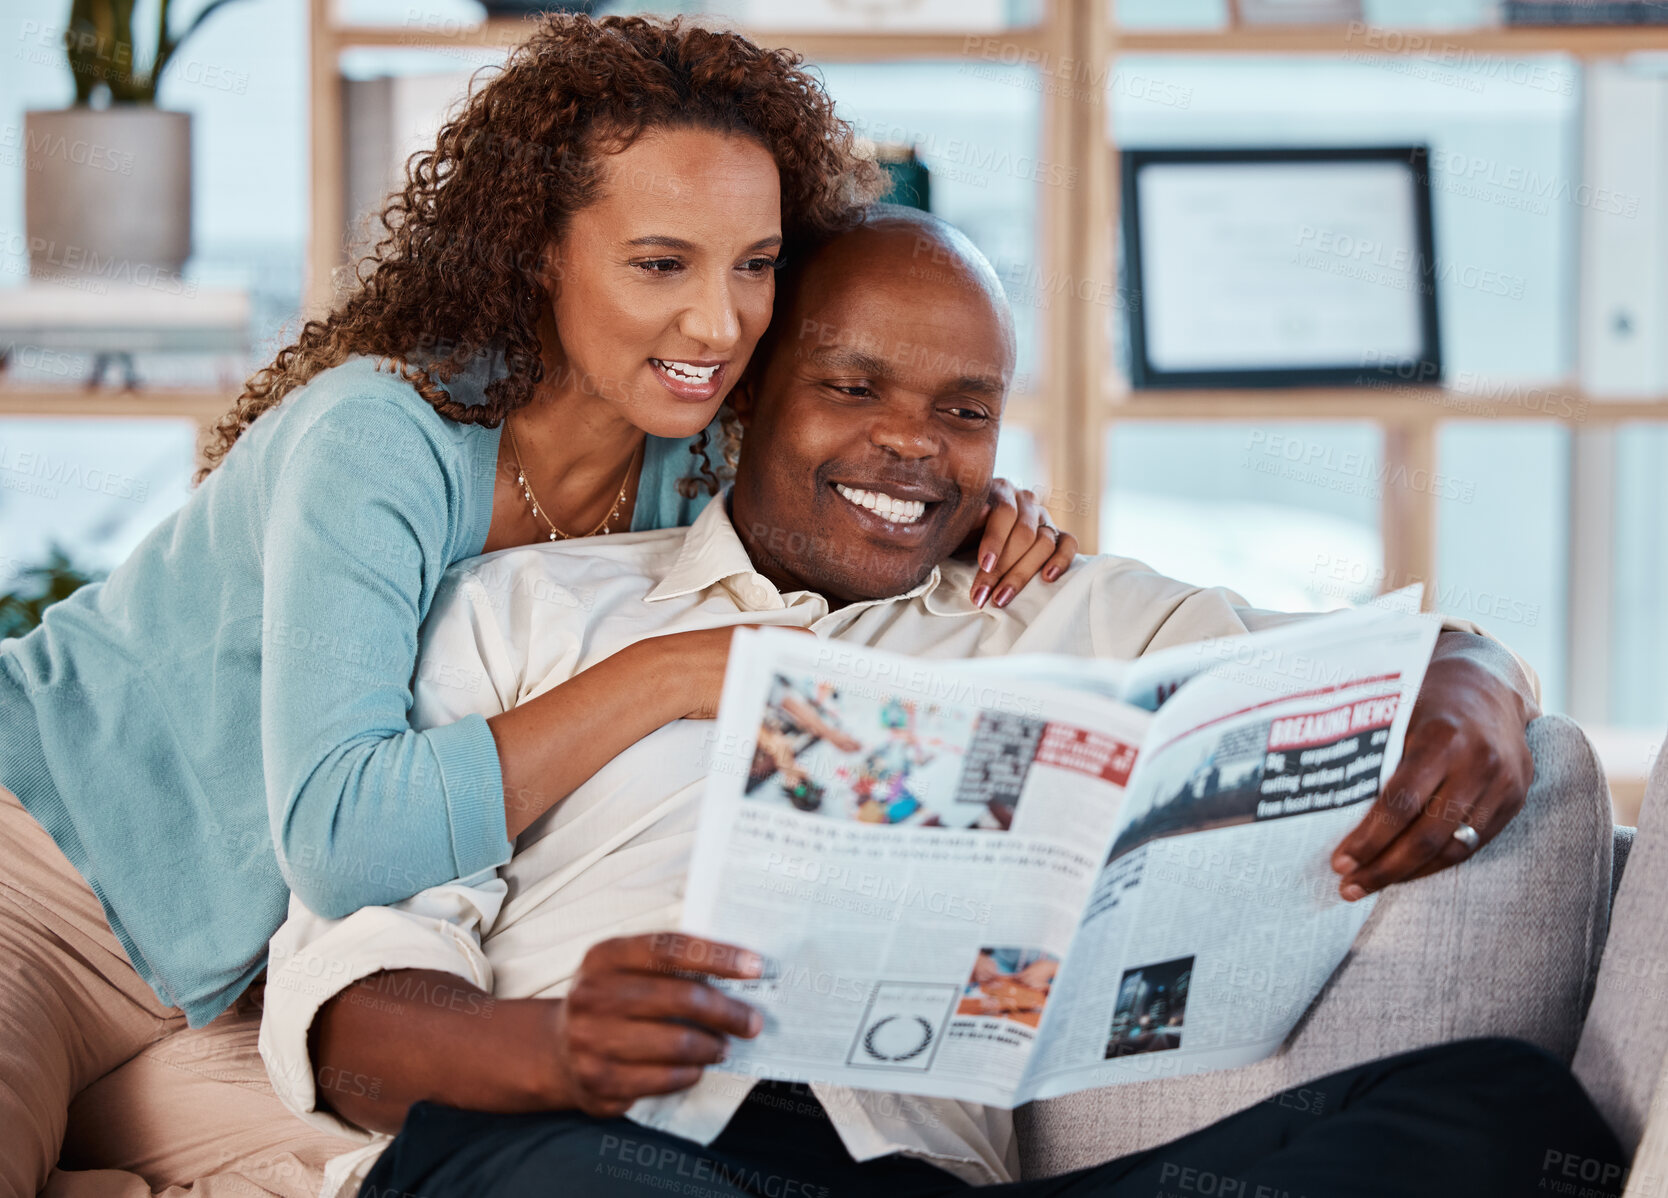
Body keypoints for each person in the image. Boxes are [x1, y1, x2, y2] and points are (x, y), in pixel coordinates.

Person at [255, 208, 1610, 1197]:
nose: (915, 445)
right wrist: (556, 1045)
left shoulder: (1067, 612)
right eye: (854, 389)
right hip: (588, 1145)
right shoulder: (531, 611)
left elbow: (1397, 651)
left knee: (1507, 1114)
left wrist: (1479, 680)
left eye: (966, 411)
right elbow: (358, 1006)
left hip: (913, 1182)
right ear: (742, 403)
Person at [0, 18, 1075, 1198]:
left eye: (755, 264)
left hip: (236, 979)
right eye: (660, 264)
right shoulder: (379, 440)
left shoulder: (690, 451)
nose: (719, 325)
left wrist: (965, 505)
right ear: (537, 252)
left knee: (425, 1171)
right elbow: (343, 836)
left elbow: (852, 483)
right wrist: (665, 673)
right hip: (48, 883)